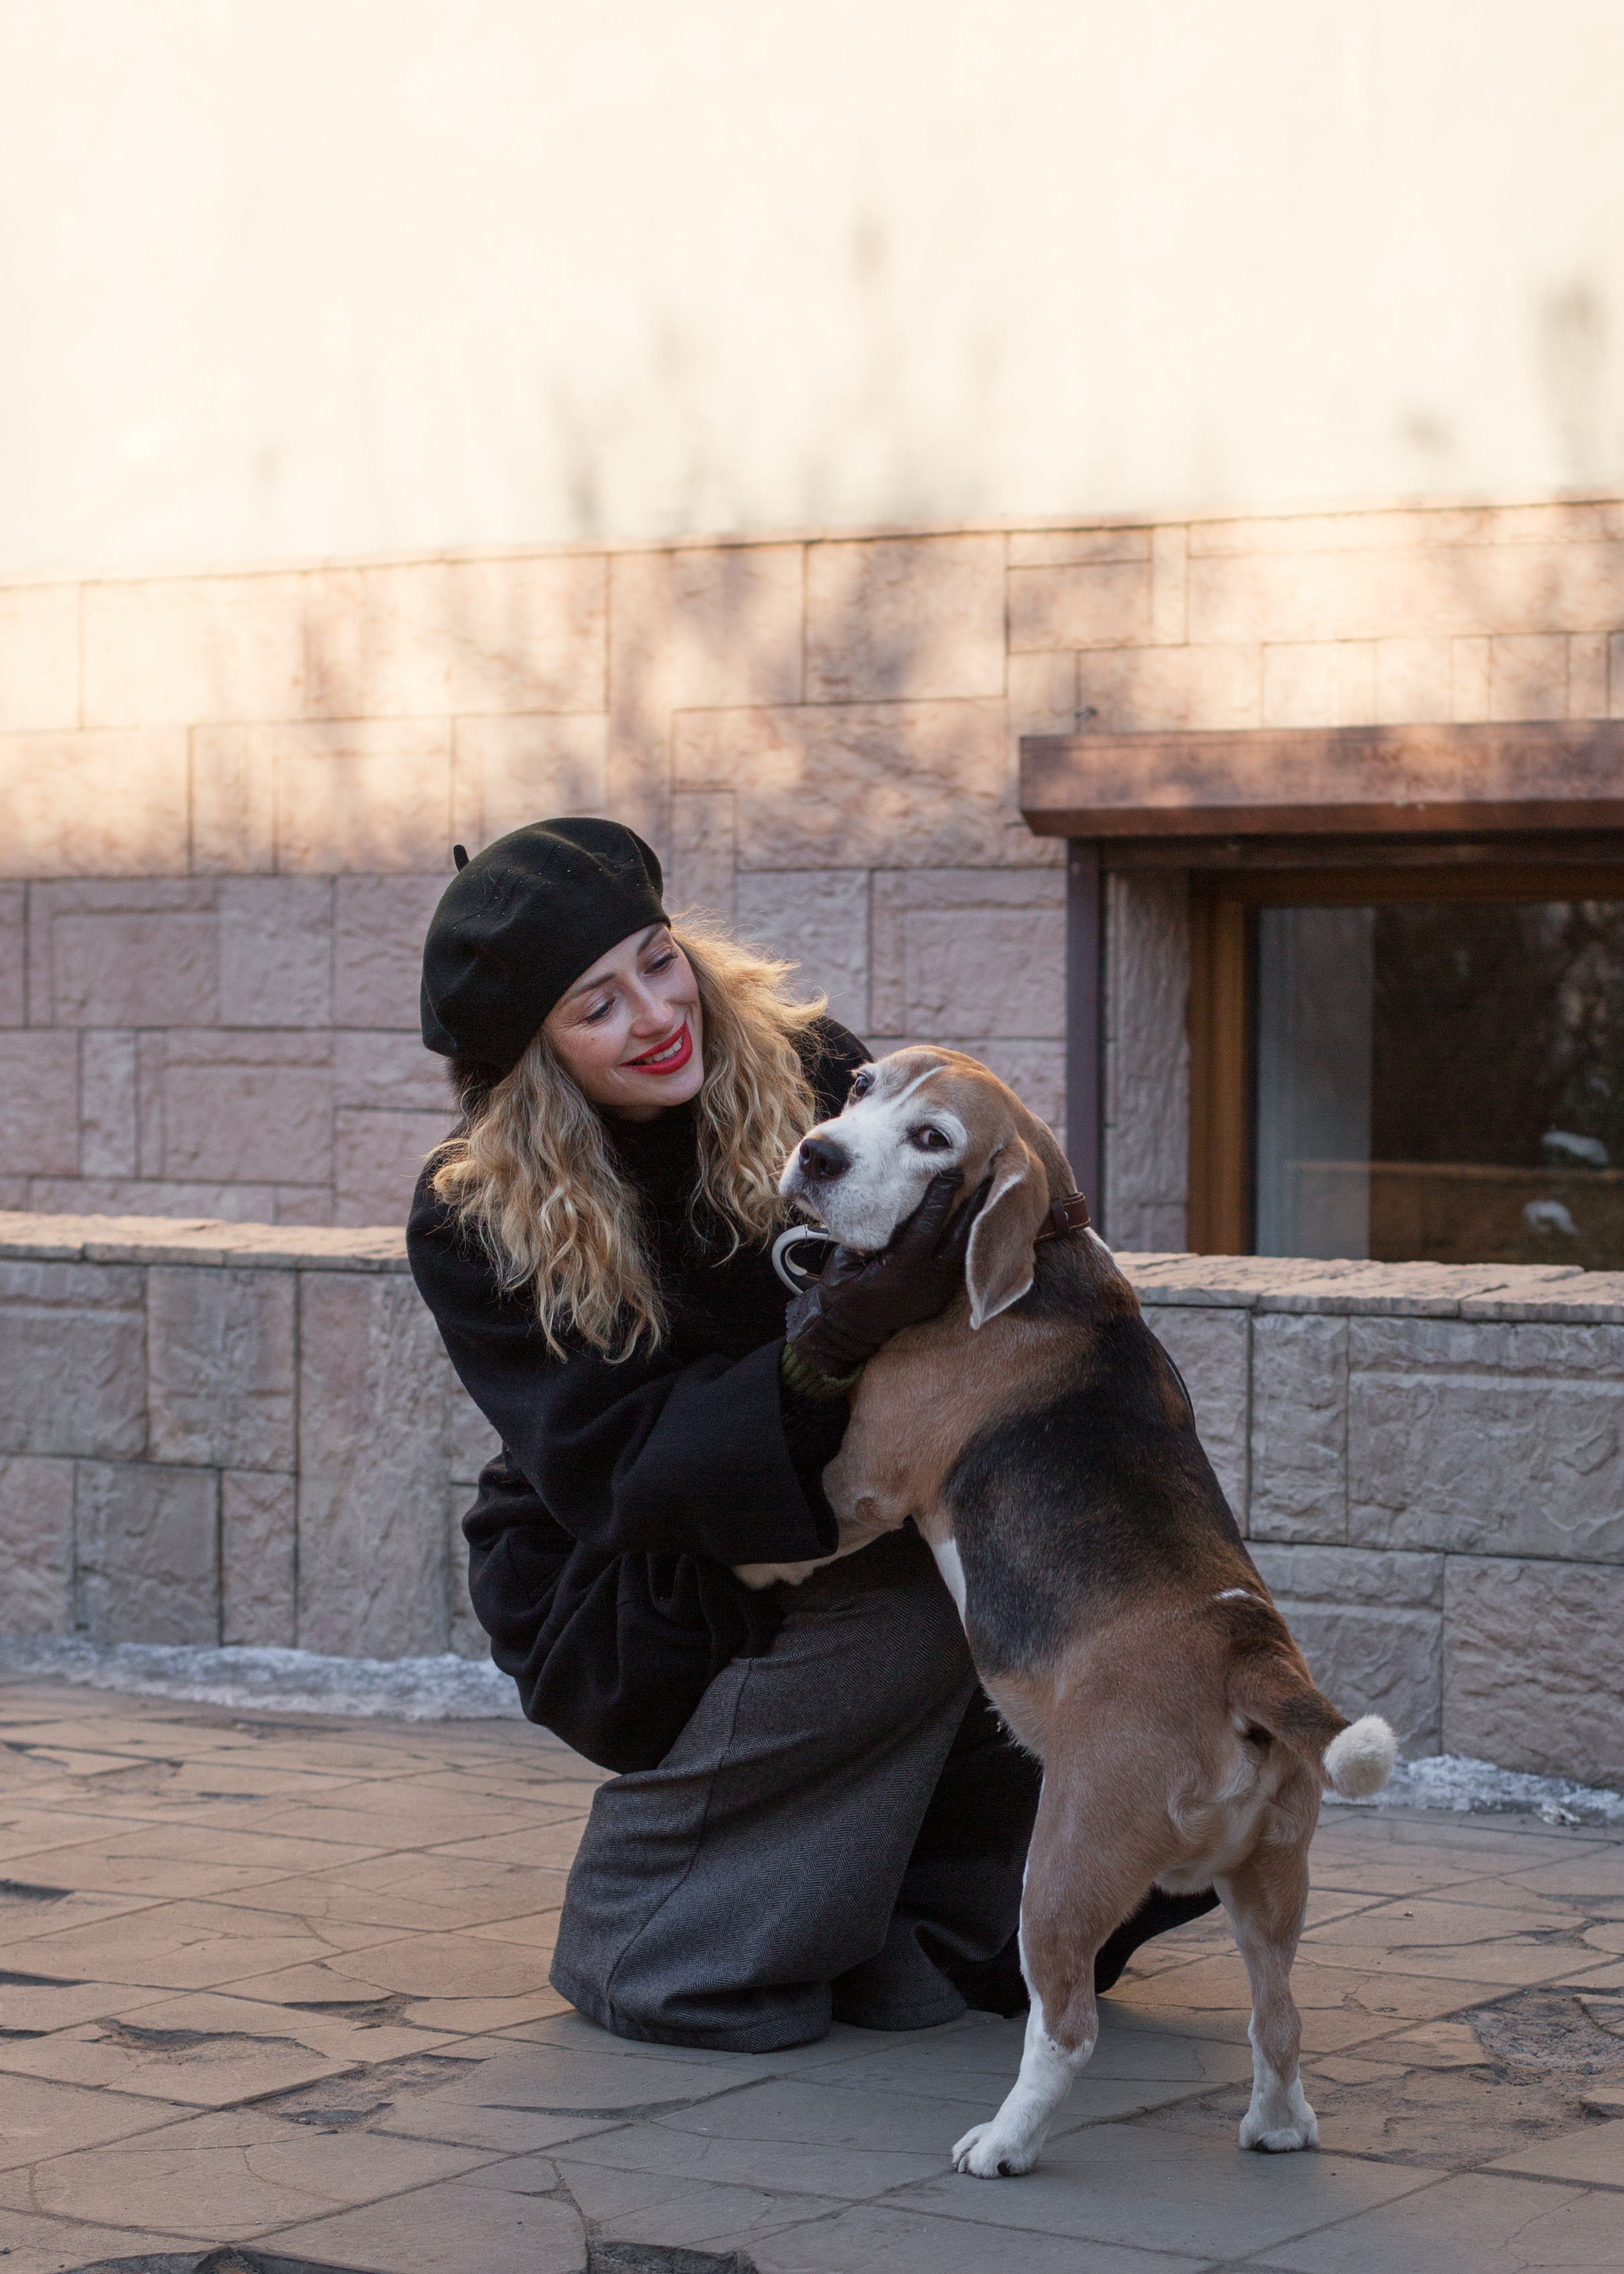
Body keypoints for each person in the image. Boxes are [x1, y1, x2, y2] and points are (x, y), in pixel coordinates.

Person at [408, 815, 1214, 2053]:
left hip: (853, 1495)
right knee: (909, 1611)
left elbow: (968, 1248)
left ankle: (946, 1932)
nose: (653, 1014)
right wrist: (825, 1341)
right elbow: (617, 1472)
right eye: (594, 1006)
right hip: (628, 1566)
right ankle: (654, 1938)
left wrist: (1033, 1235)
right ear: (535, 1054)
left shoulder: (809, 1070)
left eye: (656, 961)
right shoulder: (476, 1215)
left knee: (1058, 1562)